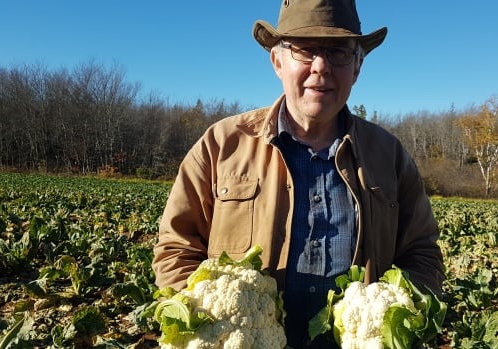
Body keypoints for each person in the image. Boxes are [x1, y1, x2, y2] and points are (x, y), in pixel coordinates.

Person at [152, 0, 445, 347]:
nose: (321, 67)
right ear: (277, 61)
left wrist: (396, 317)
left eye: (338, 52)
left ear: (358, 66)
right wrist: (207, 326)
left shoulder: (389, 156)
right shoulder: (221, 145)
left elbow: (422, 255)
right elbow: (176, 249)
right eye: (304, 51)